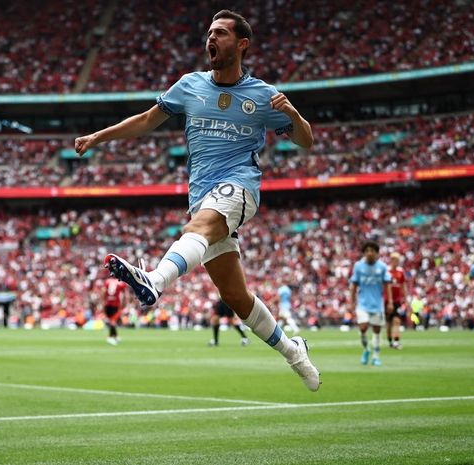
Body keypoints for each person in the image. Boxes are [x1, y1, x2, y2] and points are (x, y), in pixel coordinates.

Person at [75, 10, 319, 391]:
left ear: (241, 44)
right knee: (235, 296)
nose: (211, 38)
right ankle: (293, 350)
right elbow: (145, 119)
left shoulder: (262, 95)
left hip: (239, 187)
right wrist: (97, 137)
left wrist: (294, 115)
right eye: (209, 33)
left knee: (199, 226)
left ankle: (153, 280)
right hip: (201, 195)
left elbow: (306, 141)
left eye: (220, 33)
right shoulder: (189, 85)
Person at [350, 241, 393, 366]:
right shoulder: (358, 266)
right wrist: (352, 301)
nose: (369, 253)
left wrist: (389, 302)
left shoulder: (383, 267)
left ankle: (376, 355)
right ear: (364, 253)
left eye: (372, 251)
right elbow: (353, 285)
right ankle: (366, 349)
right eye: (367, 251)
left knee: (377, 330)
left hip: (377, 304)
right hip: (362, 304)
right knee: (363, 328)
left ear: (376, 253)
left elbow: (387, 285)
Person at [385, 252, 407, 349]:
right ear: (391, 260)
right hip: (386, 300)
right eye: (395, 260)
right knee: (389, 322)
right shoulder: (386, 271)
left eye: (398, 260)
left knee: (397, 320)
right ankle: (390, 341)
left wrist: (405, 297)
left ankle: (396, 341)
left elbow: (403, 285)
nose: (396, 262)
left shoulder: (400, 271)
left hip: (397, 300)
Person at [103, 275, 128, 345]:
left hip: (108, 303)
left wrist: (103, 302)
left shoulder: (107, 281)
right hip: (115, 304)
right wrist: (124, 304)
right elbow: (125, 295)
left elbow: (104, 291)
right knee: (113, 321)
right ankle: (110, 337)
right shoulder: (120, 283)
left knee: (112, 321)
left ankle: (115, 336)